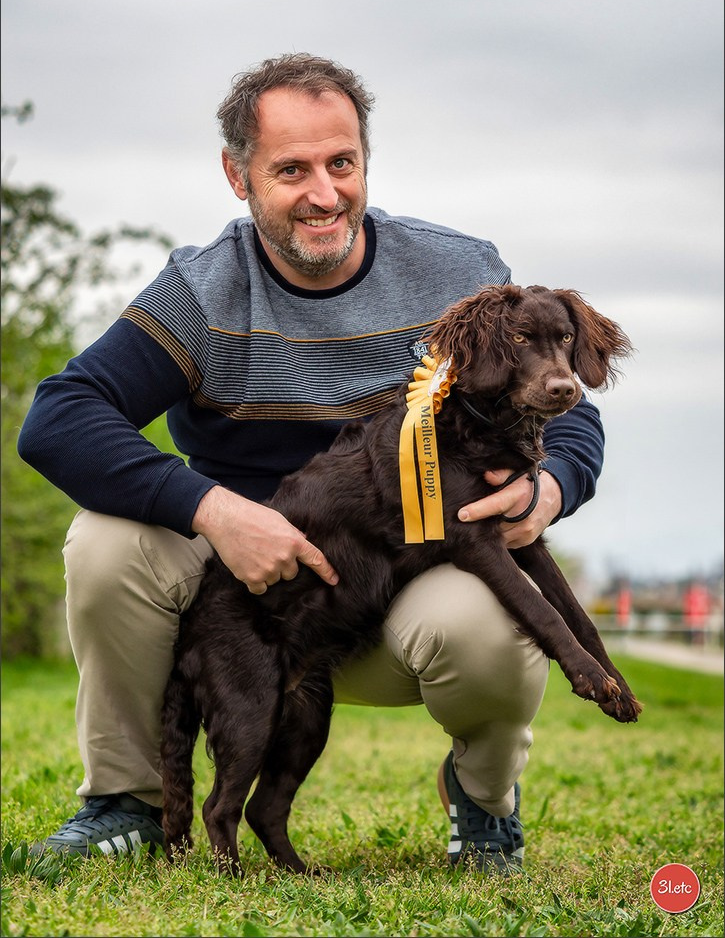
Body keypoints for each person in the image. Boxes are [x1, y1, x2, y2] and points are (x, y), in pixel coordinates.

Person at [18, 52, 605, 873]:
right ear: (237, 174)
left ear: (366, 160)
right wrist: (217, 512)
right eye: (290, 169)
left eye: (342, 163)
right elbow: (59, 417)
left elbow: (567, 418)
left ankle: (482, 804)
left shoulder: (458, 272)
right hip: (250, 600)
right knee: (104, 543)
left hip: (403, 585)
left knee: (486, 624)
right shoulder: (200, 292)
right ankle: (128, 802)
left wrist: (547, 490)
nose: (325, 194)